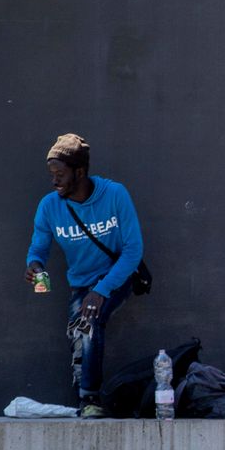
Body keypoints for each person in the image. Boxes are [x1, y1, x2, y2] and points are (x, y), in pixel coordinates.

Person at [24, 134, 144, 419]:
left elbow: (133, 250)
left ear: (79, 172)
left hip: (116, 275)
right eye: (52, 175)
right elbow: (39, 246)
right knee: (78, 331)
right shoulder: (50, 206)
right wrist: (35, 265)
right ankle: (85, 396)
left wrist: (102, 290)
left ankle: (90, 398)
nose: (54, 181)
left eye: (60, 175)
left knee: (88, 321)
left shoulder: (115, 195)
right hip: (81, 282)